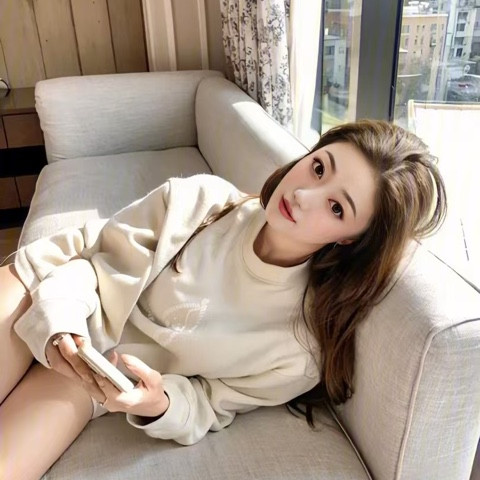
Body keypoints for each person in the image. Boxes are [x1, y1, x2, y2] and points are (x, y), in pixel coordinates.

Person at [0, 120, 446, 479]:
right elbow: (92, 261)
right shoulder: (200, 201)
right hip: (45, 288)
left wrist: (159, 403)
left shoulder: (298, 351)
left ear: (351, 239)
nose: (302, 195)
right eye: (318, 168)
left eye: (336, 208)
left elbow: (208, 402)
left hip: (93, 377)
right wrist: (62, 317)